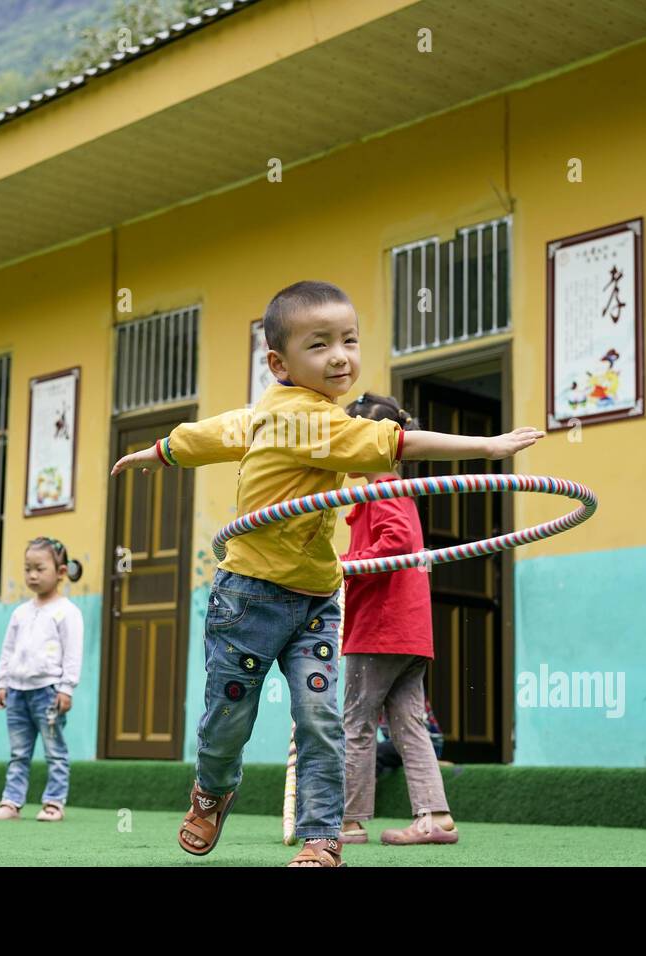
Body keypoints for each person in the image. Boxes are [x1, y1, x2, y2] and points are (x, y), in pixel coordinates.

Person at [110, 280, 543, 866]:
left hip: (315, 598)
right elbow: (399, 442)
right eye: (319, 345)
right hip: (249, 598)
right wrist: (487, 447)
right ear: (280, 363)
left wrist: (163, 451)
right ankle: (213, 791)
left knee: (320, 719)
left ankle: (323, 837)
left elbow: (217, 431)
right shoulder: (307, 421)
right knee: (228, 715)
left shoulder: (287, 413)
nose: (340, 355)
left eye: (349, 339)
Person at [338, 393, 458, 845]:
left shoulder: (382, 489)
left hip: (379, 630)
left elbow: (395, 544)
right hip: (409, 633)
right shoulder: (392, 490)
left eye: (346, 439)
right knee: (409, 723)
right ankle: (435, 816)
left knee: (356, 722)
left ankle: (348, 821)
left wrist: (345, 564)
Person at [0, 537, 85, 823]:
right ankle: (11, 803)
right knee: (18, 752)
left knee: (54, 749)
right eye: (27, 568)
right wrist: (2, 683)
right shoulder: (20, 612)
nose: (32, 575)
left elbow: (73, 654)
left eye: (39, 568)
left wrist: (66, 688)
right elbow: (8, 650)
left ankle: (54, 803)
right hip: (16, 692)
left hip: (48, 693)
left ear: (61, 572)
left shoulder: (68, 612)